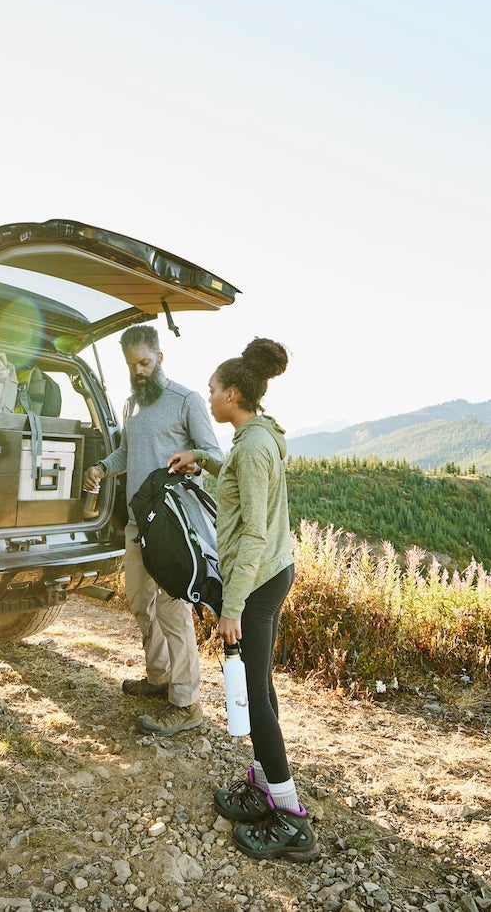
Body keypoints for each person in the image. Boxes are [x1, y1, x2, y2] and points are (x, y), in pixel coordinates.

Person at [170, 337, 315, 861]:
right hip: (270, 575)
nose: (207, 398)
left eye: (212, 391)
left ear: (232, 393)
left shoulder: (253, 447)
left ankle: (291, 817)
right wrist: (201, 460)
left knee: (254, 695)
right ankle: (261, 784)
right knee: (260, 687)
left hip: (256, 583)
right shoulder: (255, 436)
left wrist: (231, 606)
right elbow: (235, 473)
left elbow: (253, 532)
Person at [82, 324, 222, 736]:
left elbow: (213, 454)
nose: (139, 371)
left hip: (174, 526)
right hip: (137, 522)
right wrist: (103, 468)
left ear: (160, 357)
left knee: (171, 609)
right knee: (141, 601)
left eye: (145, 362)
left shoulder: (187, 400)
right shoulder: (131, 405)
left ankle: (186, 702)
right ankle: (159, 677)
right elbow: (129, 450)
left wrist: (194, 457)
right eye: (132, 366)